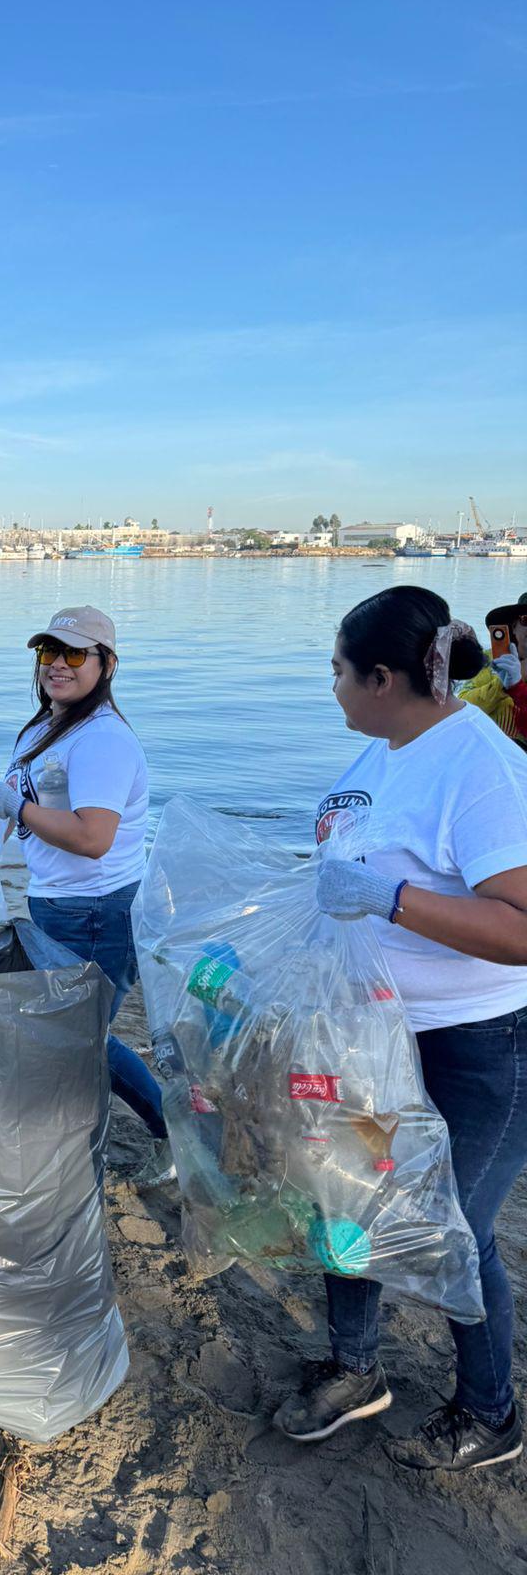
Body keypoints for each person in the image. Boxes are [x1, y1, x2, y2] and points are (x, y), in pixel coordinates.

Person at [275, 585, 527, 1472]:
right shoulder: (385, 751)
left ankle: (491, 1412)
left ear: (383, 677)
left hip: (475, 1043)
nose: (331, 688)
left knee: (457, 1225)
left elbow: (523, 926)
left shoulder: (479, 765)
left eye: (339, 672)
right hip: (370, 1033)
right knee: (346, 1197)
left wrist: (393, 900)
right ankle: (355, 1369)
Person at [0, 605, 173, 1188]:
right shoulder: (45, 728)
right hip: (54, 903)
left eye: (75, 654)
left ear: (106, 665)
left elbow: (93, 838)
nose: (57, 664)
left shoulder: (103, 740)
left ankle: (169, 1131)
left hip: (99, 910)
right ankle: (76, 1139)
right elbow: (18, 800)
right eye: (47, 652)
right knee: (66, 1035)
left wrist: (15, 808)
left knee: (79, 1038)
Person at [458, 591, 527, 750]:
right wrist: (500, 685)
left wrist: (517, 686)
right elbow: (463, 708)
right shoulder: (490, 659)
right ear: (514, 627)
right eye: (526, 620)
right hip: (482, 751)